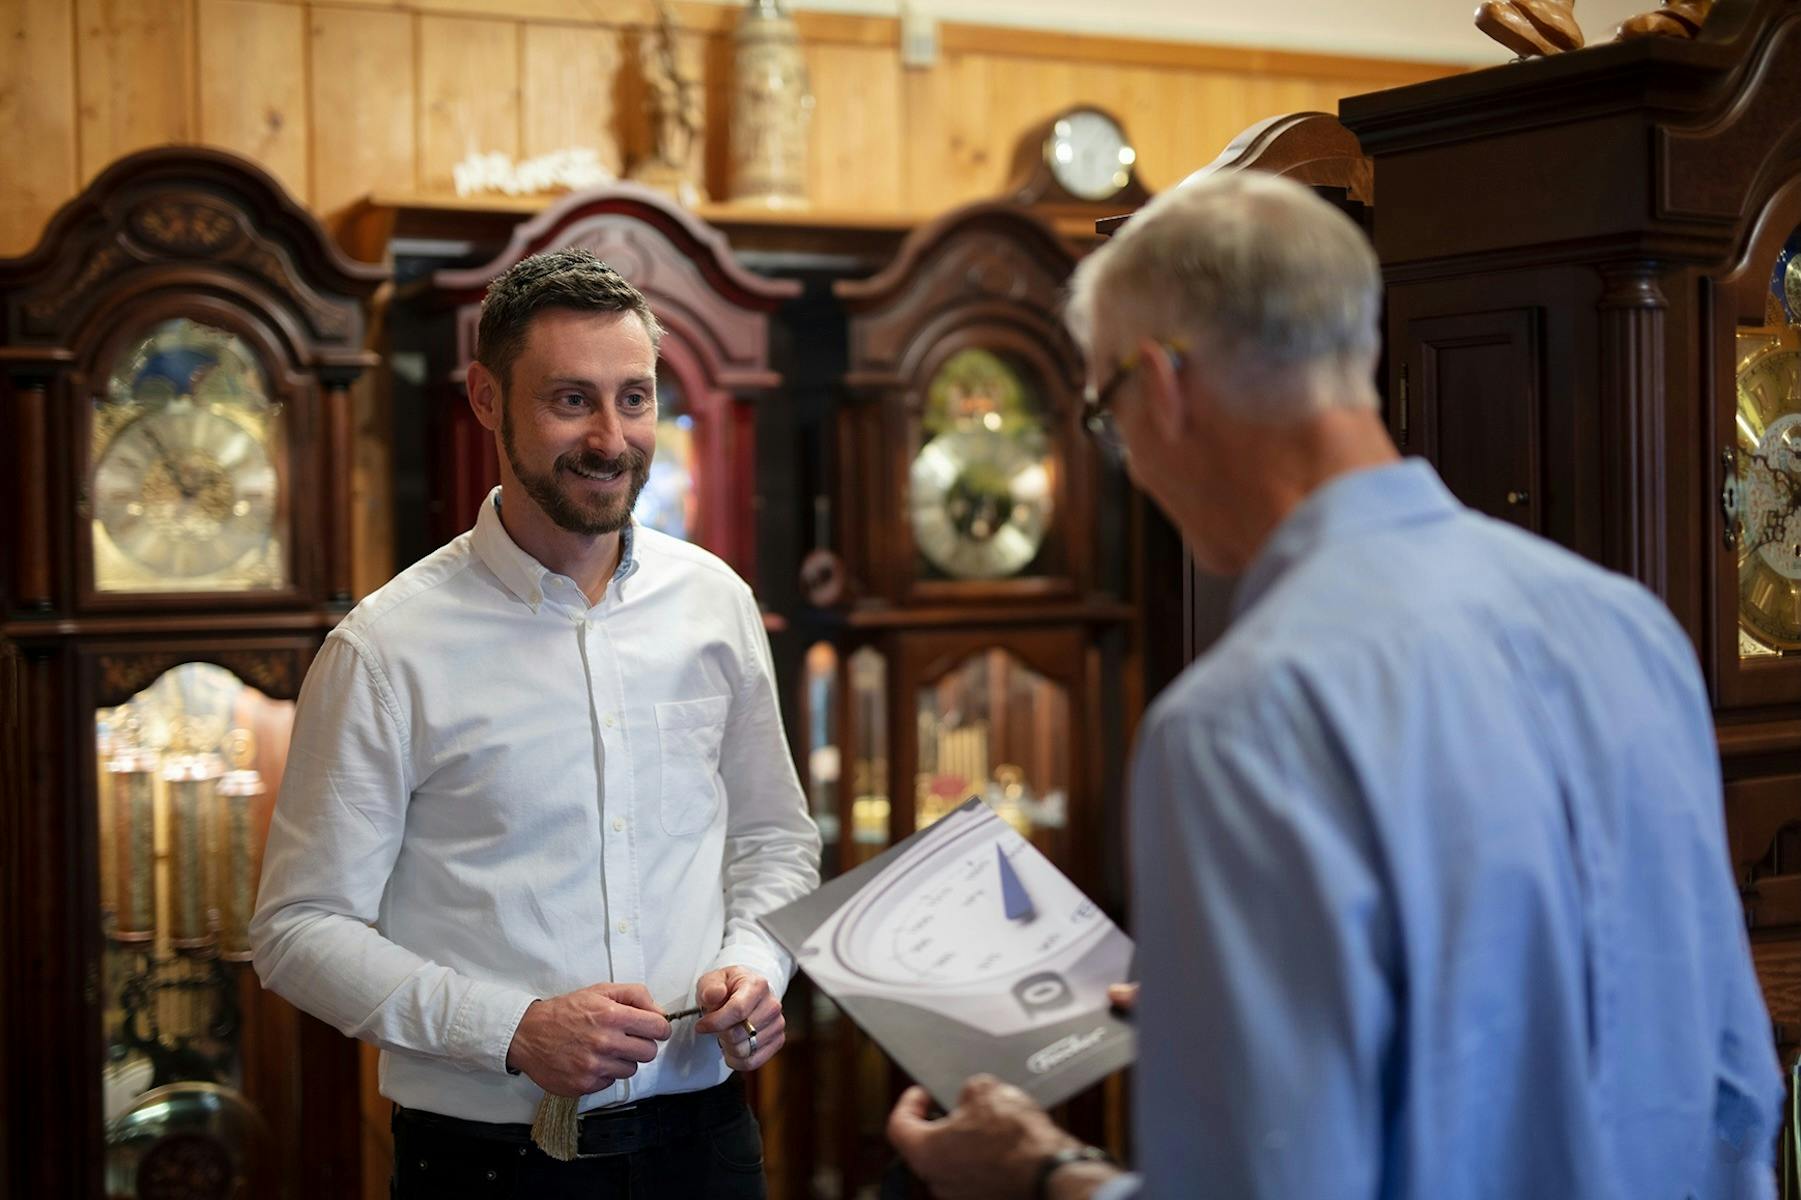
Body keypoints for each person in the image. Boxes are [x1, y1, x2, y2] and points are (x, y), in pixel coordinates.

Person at [886, 170, 1784, 1199]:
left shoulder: (1238, 722)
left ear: (1162, 386)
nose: (1125, 457)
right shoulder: (1627, 628)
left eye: (1103, 411)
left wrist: (1039, 1172)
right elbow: (1733, 1083)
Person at [251, 248, 820, 1197]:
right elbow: (298, 929)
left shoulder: (714, 601)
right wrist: (510, 1029)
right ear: (485, 399)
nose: (611, 437)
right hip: (490, 1167)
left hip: (708, 1144)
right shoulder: (386, 649)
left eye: (633, 397)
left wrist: (754, 964)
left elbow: (773, 840)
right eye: (570, 400)